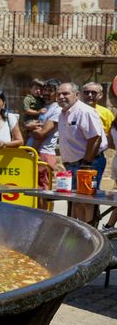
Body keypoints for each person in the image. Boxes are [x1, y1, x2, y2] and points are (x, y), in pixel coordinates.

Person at [56, 82, 107, 222]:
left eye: (65, 93)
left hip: (88, 164)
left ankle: (90, 231)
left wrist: (87, 163)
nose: (61, 97)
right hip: (72, 165)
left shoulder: (84, 111)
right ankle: (78, 231)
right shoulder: (62, 114)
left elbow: (95, 137)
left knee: (87, 201)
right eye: (59, 94)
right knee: (75, 201)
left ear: (76, 95)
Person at [26, 79, 60, 204]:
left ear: (57, 94)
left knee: (42, 190)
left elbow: (42, 133)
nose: (46, 93)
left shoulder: (57, 109)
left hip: (44, 154)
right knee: (34, 189)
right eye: (45, 90)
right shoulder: (44, 108)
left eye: (50, 91)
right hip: (35, 152)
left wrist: (29, 129)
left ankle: (45, 215)